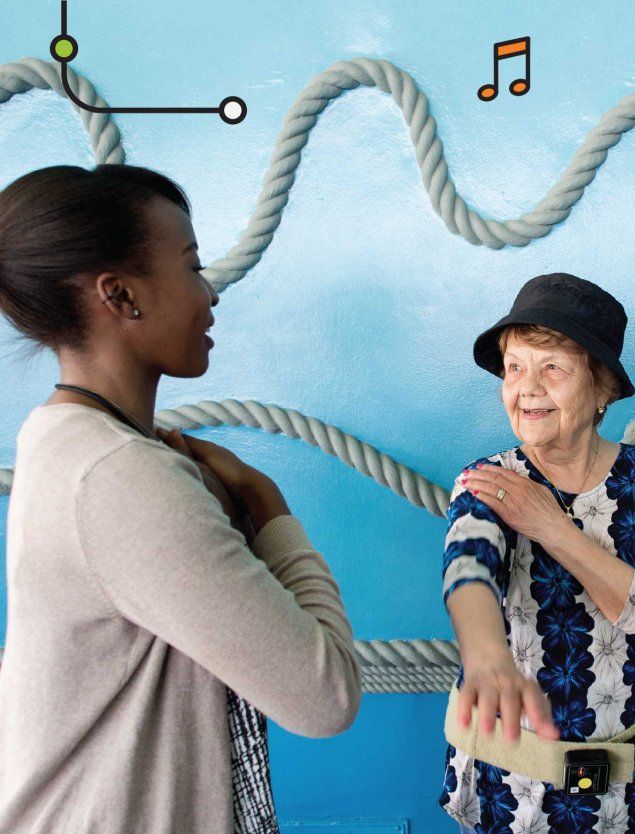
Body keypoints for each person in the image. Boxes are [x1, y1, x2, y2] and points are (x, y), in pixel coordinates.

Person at [0, 164, 362, 833]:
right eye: (192, 266)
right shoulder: (119, 477)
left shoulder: (65, 442)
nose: (209, 292)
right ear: (122, 296)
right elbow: (325, 697)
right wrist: (269, 505)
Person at [438, 273, 635, 833]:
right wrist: (485, 651)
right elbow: (468, 566)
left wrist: (554, 530)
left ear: (602, 385)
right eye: (514, 367)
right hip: (520, 796)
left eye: (552, 368)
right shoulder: (488, 482)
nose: (526, 388)